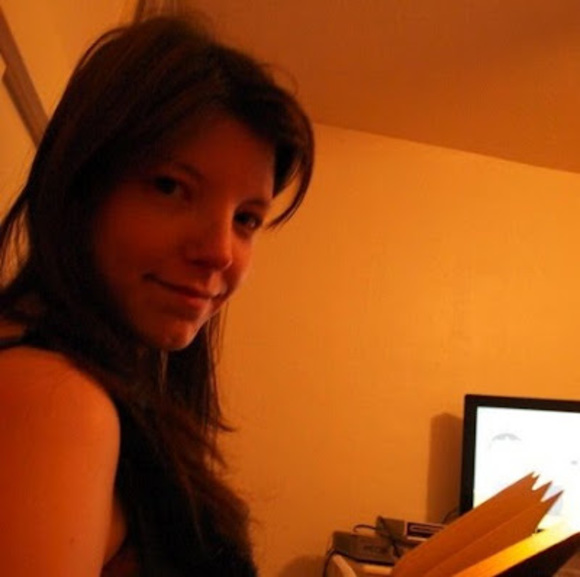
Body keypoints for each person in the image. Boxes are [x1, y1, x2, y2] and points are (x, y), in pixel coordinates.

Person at [0, 12, 314, 577]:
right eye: (171, 187)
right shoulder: (56, 402)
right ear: (80, 182)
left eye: (246, 218)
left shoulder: (90, 384)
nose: (220, 251)